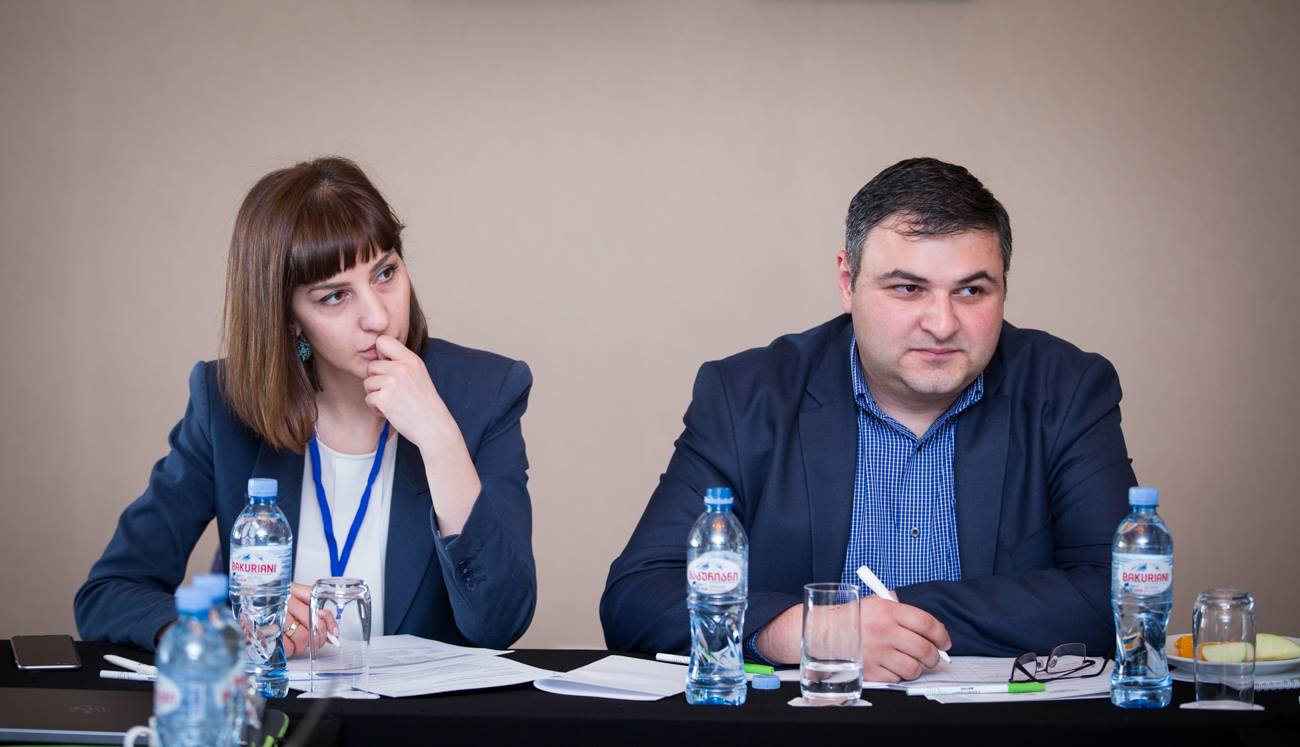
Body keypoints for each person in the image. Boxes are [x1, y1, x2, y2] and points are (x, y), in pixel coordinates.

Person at [601, 157, 1135, 682]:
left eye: (971, 291)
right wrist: (804, 631)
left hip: (998, 728)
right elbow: (638, 597)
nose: (942, 324)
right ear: (847, 280)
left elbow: (1118, 598)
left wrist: (884, 621)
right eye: (908, 288)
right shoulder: (746, 396)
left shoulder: (1067, 390)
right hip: (805, 724)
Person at [75, 157, 536, 654]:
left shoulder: (485, 391)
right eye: (334, 296)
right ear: (287, 317)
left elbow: (500, 623)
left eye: (385, 273)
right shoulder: (225, 402)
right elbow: (108, 594)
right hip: (278, 698)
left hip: (421, 704)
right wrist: (219, 629)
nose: (378, 317)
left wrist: (440, 439)